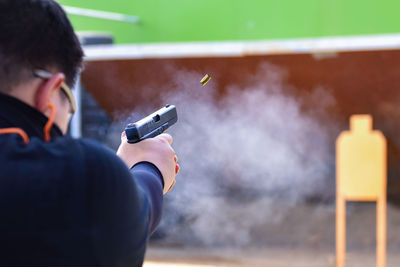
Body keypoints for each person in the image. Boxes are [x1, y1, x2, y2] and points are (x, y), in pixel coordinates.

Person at [0, 0, 179, 266]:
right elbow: (119, 218)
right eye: (69, 101)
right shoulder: (86, 178)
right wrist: (149, 169)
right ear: (49, 92)